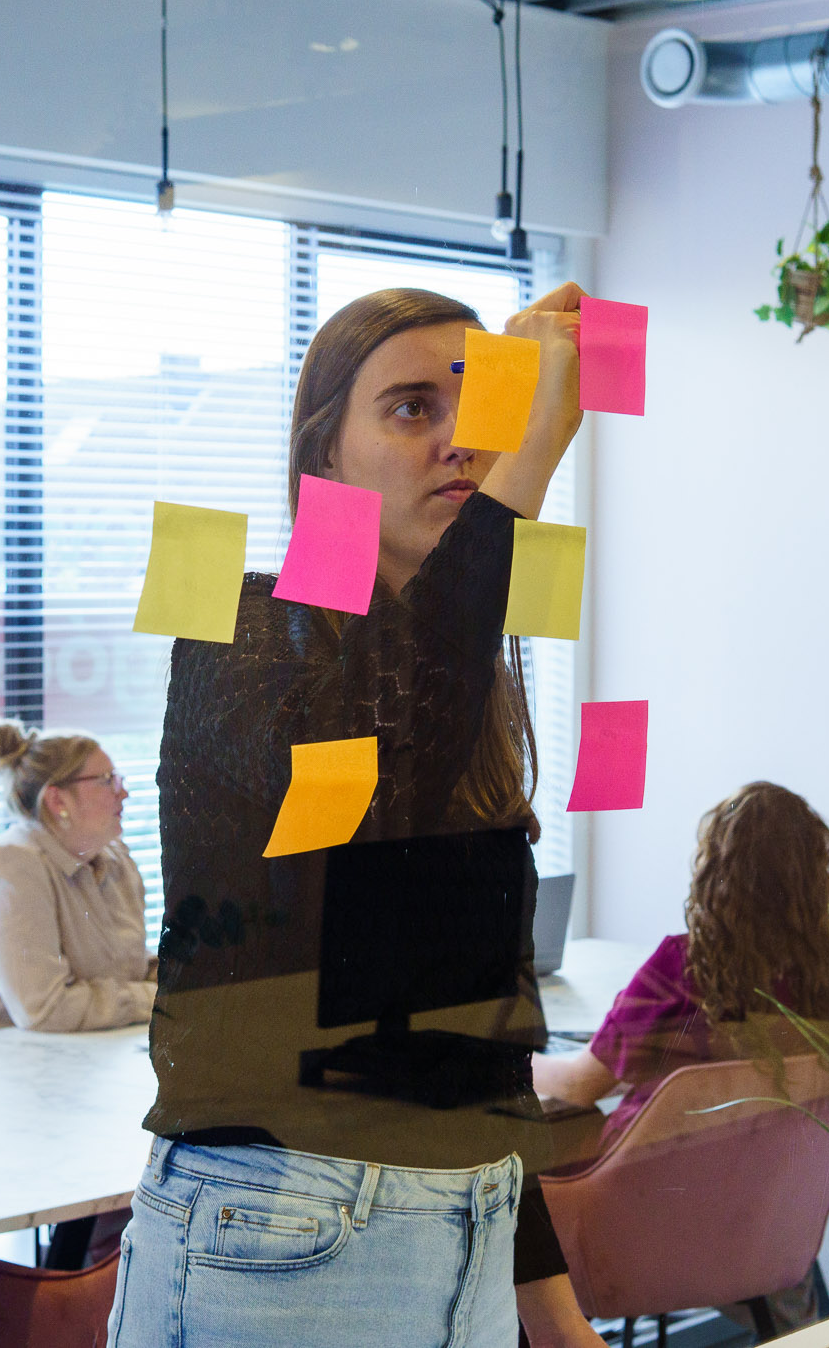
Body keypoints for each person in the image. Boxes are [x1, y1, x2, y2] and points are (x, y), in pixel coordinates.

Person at [110, 285, 606, 1348]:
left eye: (478, 412)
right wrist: (518, 475)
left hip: (459, 1237)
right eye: (412, 409)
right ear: (322, 461)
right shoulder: (241, 630)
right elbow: (376, 775)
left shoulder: (471, 693)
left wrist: (555, 1320)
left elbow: (464, 1057)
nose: (459, 446)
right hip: (280, 1224)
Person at [531, 782, 829, 1333]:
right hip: (762, 1227)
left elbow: (577, 1087)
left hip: (646, 1223)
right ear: (814, 881)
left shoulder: (683, 965)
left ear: (717, 874)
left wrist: (523, 1062)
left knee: (521, 1155)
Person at [0, 719, 157, 1037]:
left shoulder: (113, 858)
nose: (125, 792)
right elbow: (45, 1009)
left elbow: (128, 970)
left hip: (78, 1052)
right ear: (57, 800)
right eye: (107, 781)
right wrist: (160, 1000)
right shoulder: (11, 866)